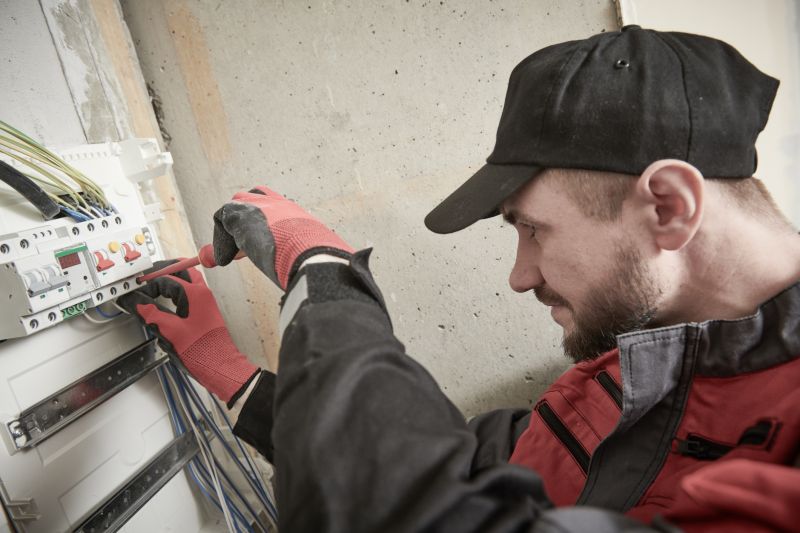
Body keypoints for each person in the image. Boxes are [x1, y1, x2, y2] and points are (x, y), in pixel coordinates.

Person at [120, 26, 800, 532]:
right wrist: (234, 376)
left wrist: (323, 277)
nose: (520, 274)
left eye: (533, 227)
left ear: (669, 207)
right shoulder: (640, 370)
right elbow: (472, 468)